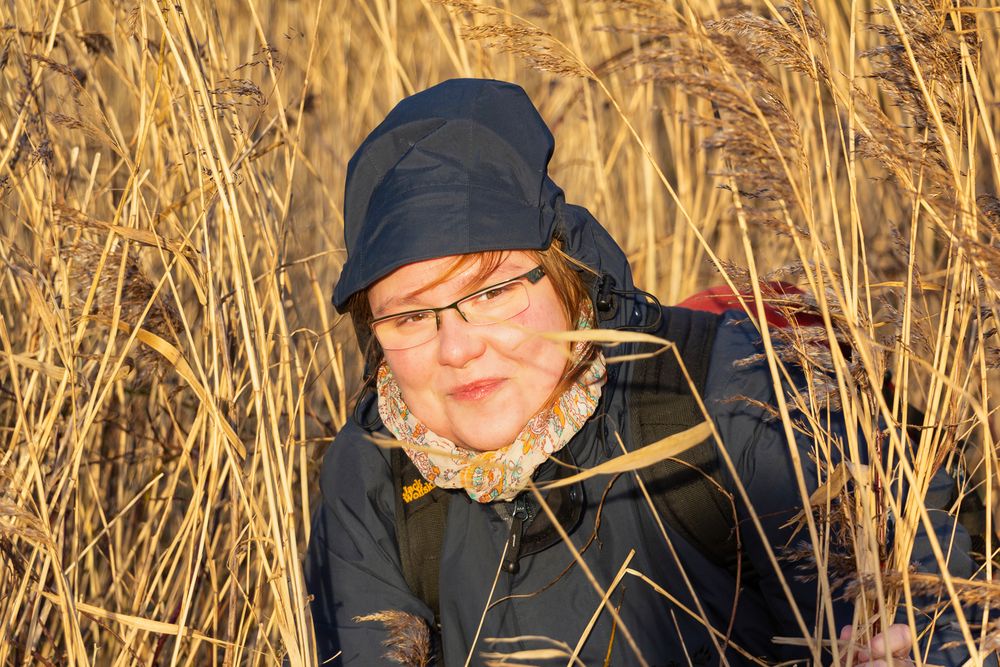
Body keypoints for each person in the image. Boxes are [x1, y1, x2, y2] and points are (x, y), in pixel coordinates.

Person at [305, 78, 980, 666]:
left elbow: (941, 615)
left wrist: (921, 647)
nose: (458, 348)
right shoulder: (371, 475)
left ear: (566, 274)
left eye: (491, 293)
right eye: (411, 318)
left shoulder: (729, 400)